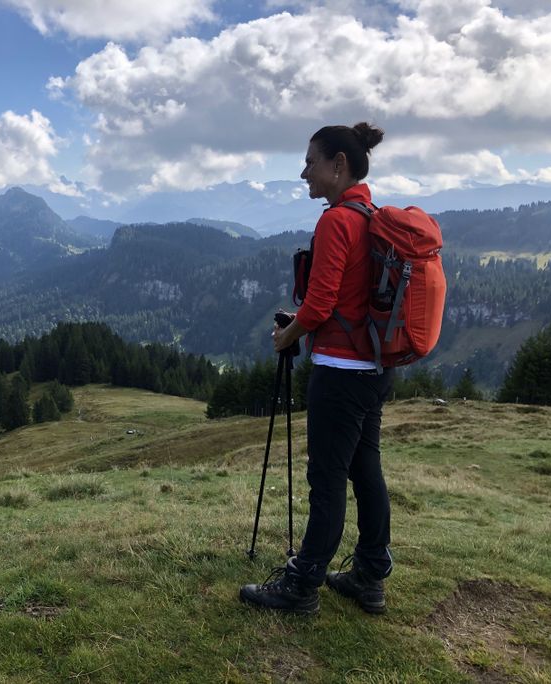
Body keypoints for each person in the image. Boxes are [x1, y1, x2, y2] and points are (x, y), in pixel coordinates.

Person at [239, 122, 394, 615]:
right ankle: (370, 576)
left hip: (340, 370)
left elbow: (322, 303)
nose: (304, 171)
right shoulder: (371, 215)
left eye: (311, 161)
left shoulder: (337, 221)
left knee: (326, 478)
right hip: (373, 367)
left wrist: (287, 334)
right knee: (365, 469)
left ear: (338, 165)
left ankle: (302, 584)